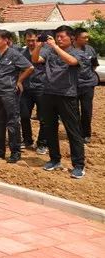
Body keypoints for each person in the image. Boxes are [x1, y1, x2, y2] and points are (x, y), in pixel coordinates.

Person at [32, 25, 86, 179]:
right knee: (49, 128)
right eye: (57, 37)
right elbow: (35, 59)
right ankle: (55, 159)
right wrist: (39, 45)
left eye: (62, 36)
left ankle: (79, 165)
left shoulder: (77, 52)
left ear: (72, 38)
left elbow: (71, 62)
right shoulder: (49, 51)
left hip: (67, 95)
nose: (59, 39)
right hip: (48, 93)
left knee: (73, 131)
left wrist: (55, 46)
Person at [0, 30, 33, 163]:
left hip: (9, 93)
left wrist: (19, 81)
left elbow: (29, 68)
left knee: (12, 122)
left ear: (6, 40)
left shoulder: (14, 54)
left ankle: (15, 152)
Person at [20, 30, 49, 155]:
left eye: (33, 40)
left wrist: (39, 47)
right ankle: (27, 140)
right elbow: (20, 69)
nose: (31, 43)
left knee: (44, 118)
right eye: (28, 40)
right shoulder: (22, 53)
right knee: (24, 115)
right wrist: (19, 82)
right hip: (26, 89)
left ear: (37, 39)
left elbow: (37, 60)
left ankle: (42, 143)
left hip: (41, 88)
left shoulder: (45, 51)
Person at [74, 28, 99, 144]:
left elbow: (94, 65)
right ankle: (77, 133)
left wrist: (87, 76)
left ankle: (86, 134)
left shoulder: (90, 49)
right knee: (74, 111)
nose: (87, 39)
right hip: (73, 86)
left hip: (88, 84)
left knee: (86, 110)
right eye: (84, 37)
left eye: (87, 37)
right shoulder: (69, 50)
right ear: (76, 38)